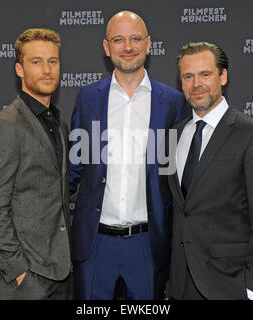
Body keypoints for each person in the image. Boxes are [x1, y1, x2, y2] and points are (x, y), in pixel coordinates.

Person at [69, 11, 187, 299]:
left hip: (147, 244)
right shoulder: (87, 98)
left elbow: (179, 175)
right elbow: (73, 170)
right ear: (107, 47)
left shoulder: (173, 102)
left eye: (135, 38)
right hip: (95, 243)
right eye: (118, 39)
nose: (128, 46)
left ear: (148, 44)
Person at [168, 41, 253, 300]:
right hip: (180, 284)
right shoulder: (173, 136)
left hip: (231, 285)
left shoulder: (252, 134)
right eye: (188, 76)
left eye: (205, 74)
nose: (196, 84)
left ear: (223, 76)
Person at [0, 28, 72, 300]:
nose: (47, 69)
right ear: (19, 69)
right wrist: (18, 270)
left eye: (52, 61)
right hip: (24, 279)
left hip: (60, 271)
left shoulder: (58, 123)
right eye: (36, 62)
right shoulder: (6, 127)